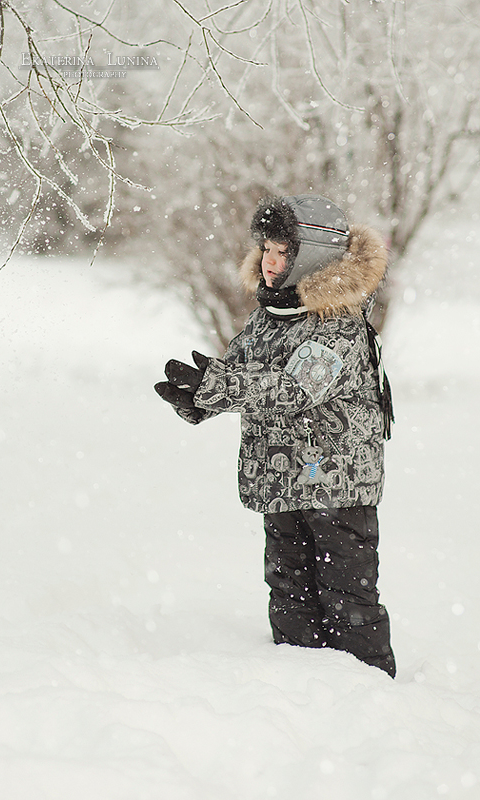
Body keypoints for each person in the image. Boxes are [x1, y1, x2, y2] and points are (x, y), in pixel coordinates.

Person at [155, 194, 396, 678]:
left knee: (347, 601)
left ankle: (371, 696)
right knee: (290, 596)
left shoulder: (338, 323)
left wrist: (220, 387)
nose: (269, 261)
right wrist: (200, 398)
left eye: (284, 252)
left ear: (313, 255)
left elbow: (293, 388)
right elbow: (243, 376)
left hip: (336, 486)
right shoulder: (269, 317)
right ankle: (299, 691)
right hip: (282, 480)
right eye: (266, 249)